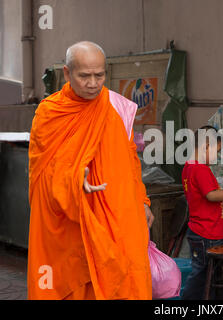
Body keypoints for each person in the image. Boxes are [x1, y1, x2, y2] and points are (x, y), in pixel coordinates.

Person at [27, 41, 154, 300]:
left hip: (117, 214)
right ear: (67, 73)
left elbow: (130, 160)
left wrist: (142, 200)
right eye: (84, 76)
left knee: (124, 280)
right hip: (70, 219)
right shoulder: (50, 113)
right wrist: (72, 179)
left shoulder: (117, 107)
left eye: (99, 75)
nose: (93, 83)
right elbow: (41, 172)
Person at [181, 126, 223, 300]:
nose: (217, 157)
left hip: (203, 231)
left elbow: (205, 196)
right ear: (206, 146)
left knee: (209, 276)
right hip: (208, 234)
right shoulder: (201, 169)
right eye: (216, 151)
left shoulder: (190, 167)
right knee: (204, 276)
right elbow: (211, 195)